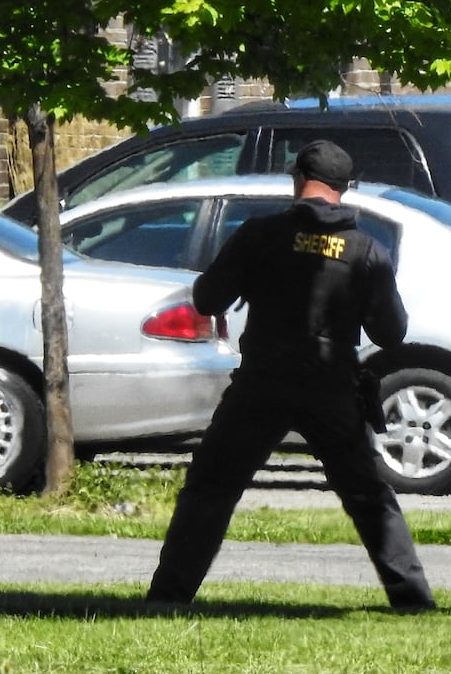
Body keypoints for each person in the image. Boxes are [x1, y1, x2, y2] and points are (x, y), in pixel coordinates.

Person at [146, 140, 435, 611]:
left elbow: (206, 299)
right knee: (367, 496)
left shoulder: (260, 234)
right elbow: (391, 333)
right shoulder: (366, 251)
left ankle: (168, 597)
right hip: (332, 384)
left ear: (298, 180)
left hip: (262, 382)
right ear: (346, 189)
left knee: (211, 488)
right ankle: (414, 601)